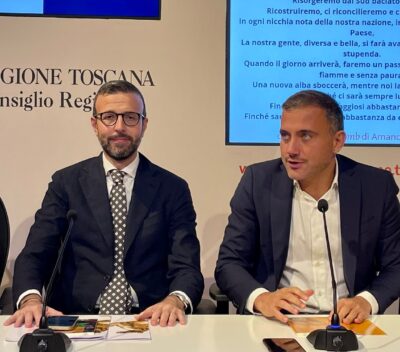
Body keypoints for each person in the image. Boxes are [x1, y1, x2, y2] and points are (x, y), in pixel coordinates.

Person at [5, 80, 203, 328]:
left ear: (144, 124)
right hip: (75, 317)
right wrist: (31, 300)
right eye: (109, 117)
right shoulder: (66, 183)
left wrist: (175, 301)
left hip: (150, 318)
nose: (119, 127)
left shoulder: (172, 188)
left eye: (130, 117)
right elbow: (35, 254)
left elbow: (187, 266)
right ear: (94, 124)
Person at [215, 90, 400, 325]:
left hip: (349, 324)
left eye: (305, 136)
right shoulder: (257, 182)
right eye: (285, 136)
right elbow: (229, 264)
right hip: (279, 321)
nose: (291, 149)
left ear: (337, 141)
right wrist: (262, 299)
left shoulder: (375, 187)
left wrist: (366, 301)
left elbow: (396, 265)